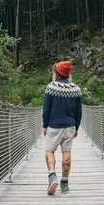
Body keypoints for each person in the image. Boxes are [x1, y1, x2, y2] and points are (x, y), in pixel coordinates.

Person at [42, 60, 82, 195]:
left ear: (57, 73)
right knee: (66, 152)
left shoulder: (51, 88)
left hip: (54, 126)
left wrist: (44, 125)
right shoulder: (76, 89)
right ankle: (64, 182)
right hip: (70, 126)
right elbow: (79, 111)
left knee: (49, 151)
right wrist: (76, 127)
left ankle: (52, 176)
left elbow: (46, 109)